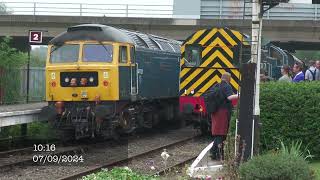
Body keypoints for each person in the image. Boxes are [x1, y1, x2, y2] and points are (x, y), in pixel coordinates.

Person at [210, 72, 239, 160]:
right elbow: (229, 97)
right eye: (230, 79)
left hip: (215, 112)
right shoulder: (227, 86)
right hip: (222, 112)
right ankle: (217, 154)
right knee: (221, 134)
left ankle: (214, 153)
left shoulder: (216, 86)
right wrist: (239, 95)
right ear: (228, 79)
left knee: (218, 133)